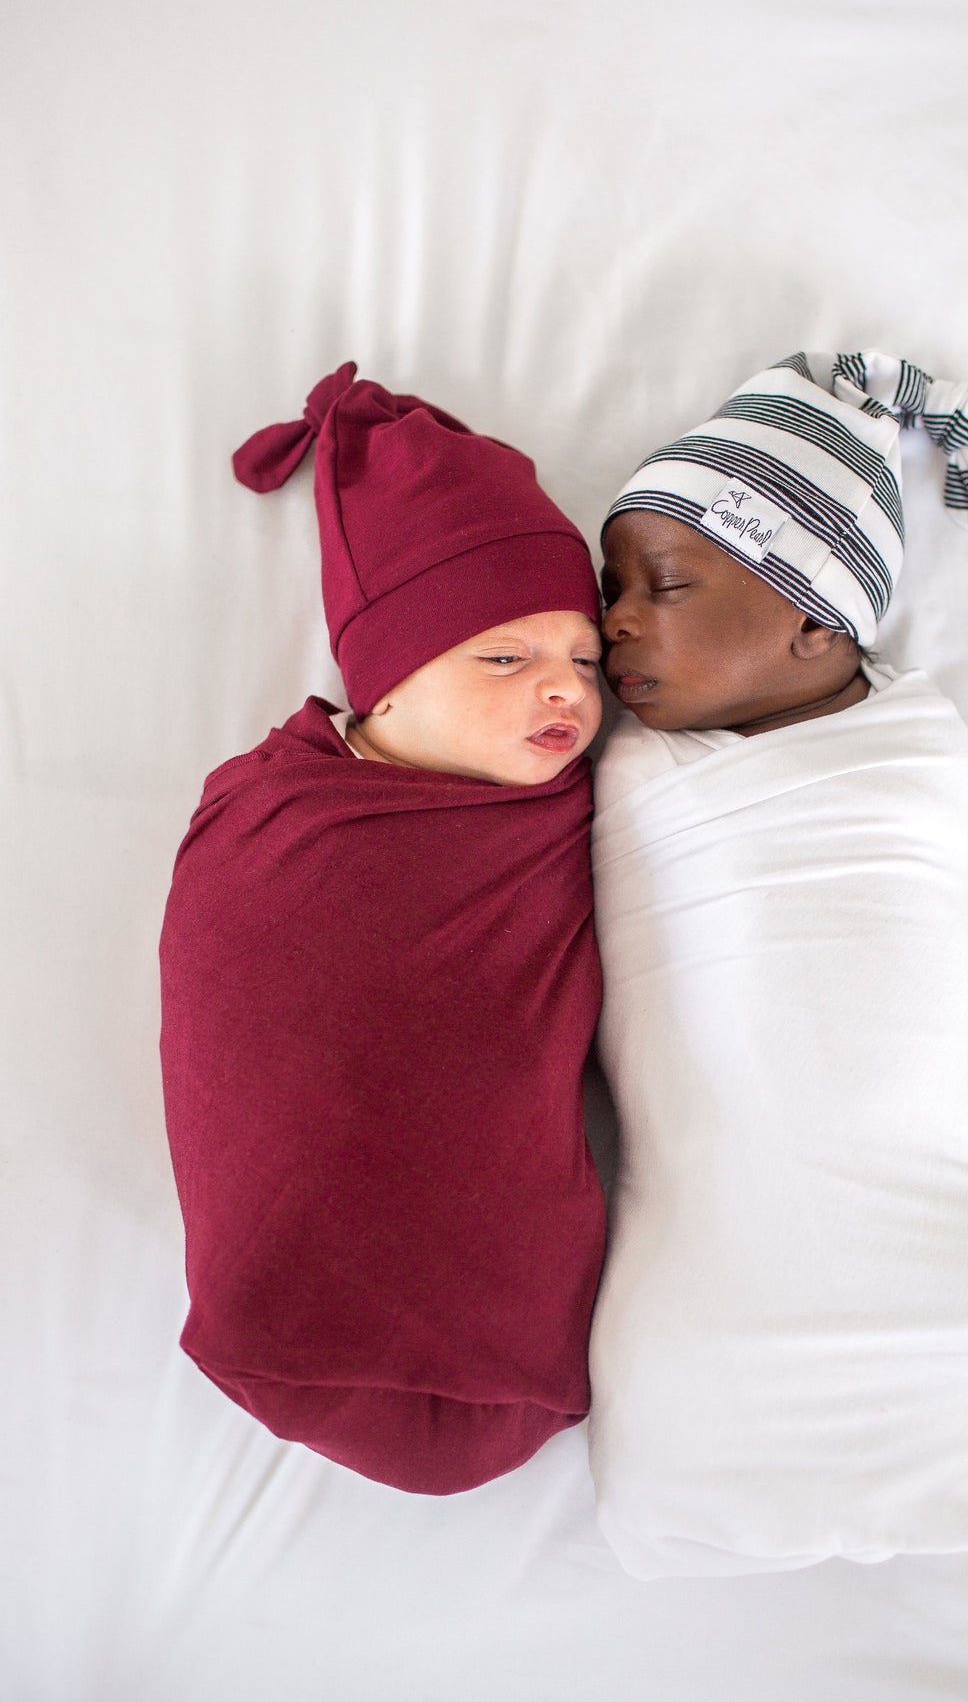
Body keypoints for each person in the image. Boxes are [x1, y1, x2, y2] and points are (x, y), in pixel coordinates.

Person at [586, 348, 968, 1577]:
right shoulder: (623, 767)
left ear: (816, 618)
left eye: (661, 585)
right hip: (701, 1315)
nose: (612, 623)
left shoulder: (914, 756)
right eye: (615, 589)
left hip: (960, 1290)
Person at [160, 363, 608, 1495]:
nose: (566, 690)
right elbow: (238, 999)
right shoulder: (276, 817)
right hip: (291, 1314)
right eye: (504, 657)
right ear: (385, 687)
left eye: (587, 662)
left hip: (516, 1329)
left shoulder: (573, 816)